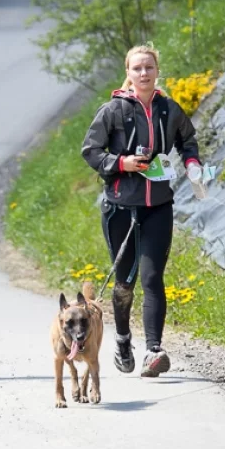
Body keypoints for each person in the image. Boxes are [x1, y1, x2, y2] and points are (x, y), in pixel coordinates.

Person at [80, 44, 202, 378]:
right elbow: (90, 150)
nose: (144, 73)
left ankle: (153, 351)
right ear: (129, 73)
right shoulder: (113, 110)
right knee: (125, 282)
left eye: (149, 67)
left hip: (158, 207)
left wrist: (192, 164)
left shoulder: (169, 109)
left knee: (152, 278)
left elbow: (187, 140)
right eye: (137, 68)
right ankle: (122, 340)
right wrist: (123, 163)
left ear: (157, 71)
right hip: (120, 208)